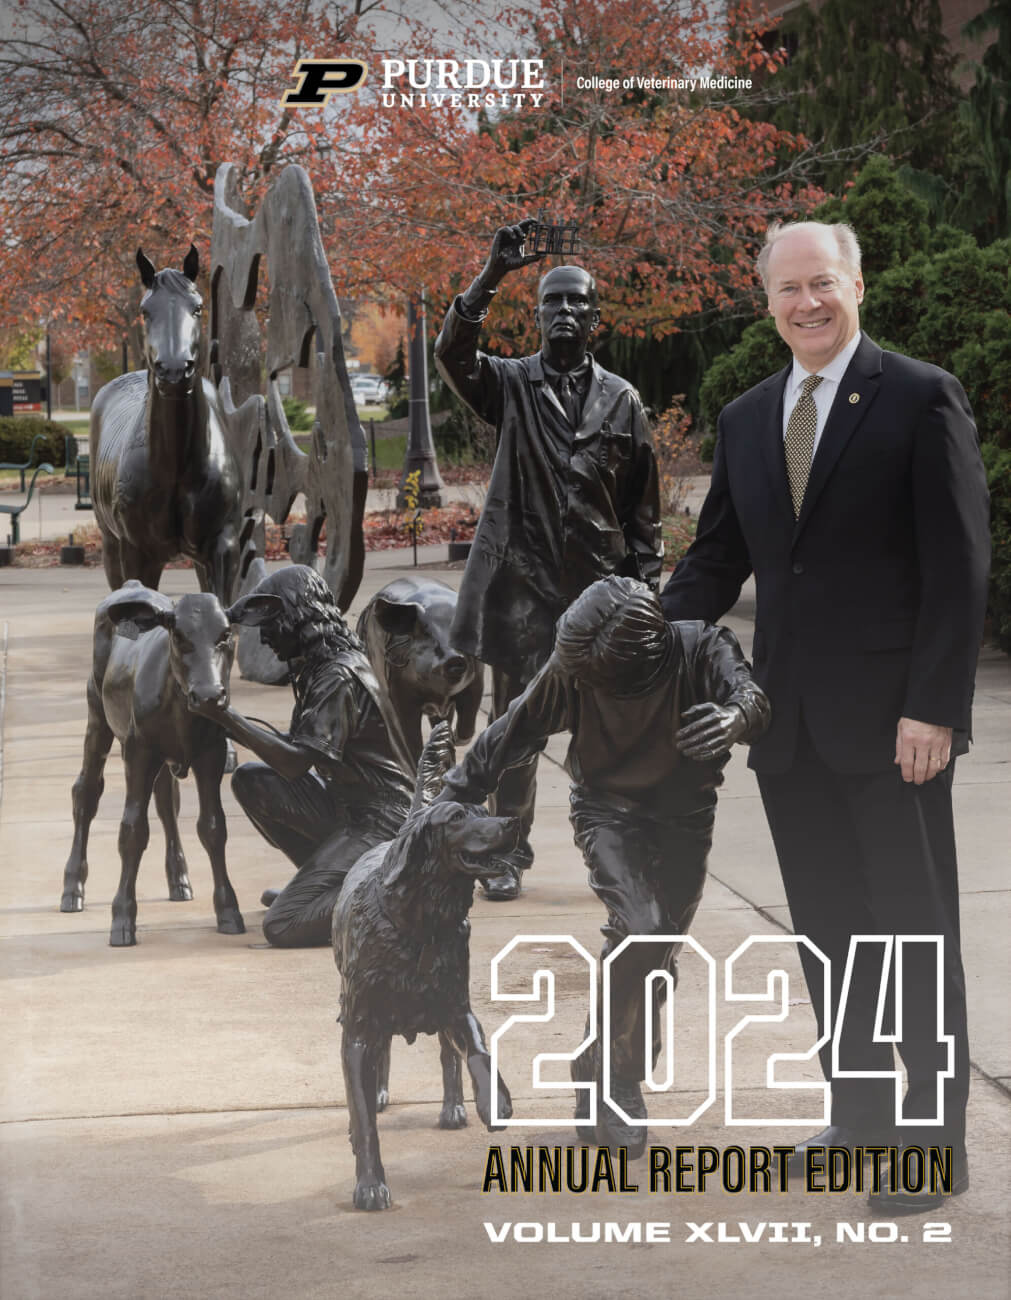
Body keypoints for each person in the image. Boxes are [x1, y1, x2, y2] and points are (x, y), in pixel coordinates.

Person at [659, 220, 990, 1213]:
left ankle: (933, 1147)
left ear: (857, 284)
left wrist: (935, 706)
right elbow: (717, 559)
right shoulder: (749, 416)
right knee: (834, 937)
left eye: (823, 283)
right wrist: (635, 631)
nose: (808, 303)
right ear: (766, 302)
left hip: (898, 733)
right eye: (788, 289)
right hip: (789, 730)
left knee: (911, 937)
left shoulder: (920, 396)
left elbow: (960, 567)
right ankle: (861, 1120)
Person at [437, 576, 770, 1155]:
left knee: (654, 953)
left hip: (686, 817)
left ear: (643, 658)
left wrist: (734, 718)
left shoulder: (700, 647)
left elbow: (753, 698)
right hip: (608, 810)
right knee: (643, 930)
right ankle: (616, 1081)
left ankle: (598, 1063)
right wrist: (446, 802)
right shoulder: (576, 667)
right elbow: (509, 732)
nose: (585, 686)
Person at [434, 218, 663, 900]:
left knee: (611, 735)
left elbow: (643, 510)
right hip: (525, 592)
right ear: (535, 316)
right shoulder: (509, 386)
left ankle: (612, 854)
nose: (563, 311)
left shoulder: (621, 400)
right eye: (551, 302)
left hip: (600, 596)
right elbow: (452, 354)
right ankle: (505, 848)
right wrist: (490, 275)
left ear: (595, 317)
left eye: (575, 302)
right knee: (518, 730)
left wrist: (646, 595)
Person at [198, 565, 414, 947]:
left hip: (383, 822)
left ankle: (395, 899)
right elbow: (298, 756)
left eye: (271, 623)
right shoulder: (323, 668)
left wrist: (226, 717)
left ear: (297, 617)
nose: (264, 638)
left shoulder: (338, 676)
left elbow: (295, 764)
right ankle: (319, 889)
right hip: (349, 808)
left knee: (282, 925)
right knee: (252, 781)